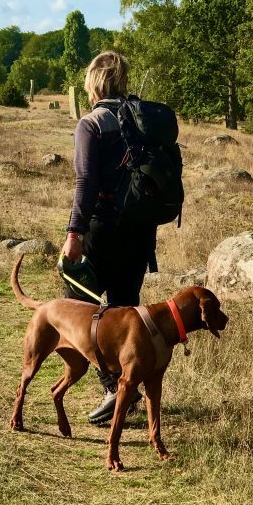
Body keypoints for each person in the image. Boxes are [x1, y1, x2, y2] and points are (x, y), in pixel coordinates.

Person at [61, 51, 158, 425]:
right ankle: (127, 387)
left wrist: (74, 232)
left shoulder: (92, 123)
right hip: (140, 230)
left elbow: (85, 182)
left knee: (79, 308)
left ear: (94, 82)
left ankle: (113, 386)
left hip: (103, 227)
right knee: (124, 308)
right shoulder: (143, 121)